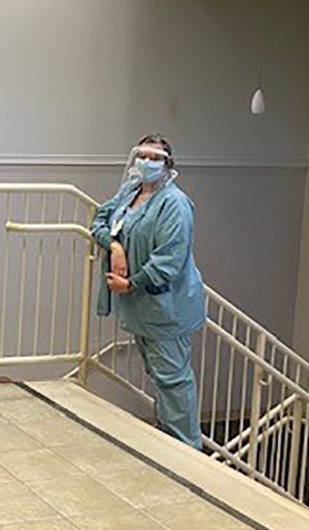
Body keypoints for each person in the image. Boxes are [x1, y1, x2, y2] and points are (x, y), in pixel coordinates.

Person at [91, 134, 206, 449]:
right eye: (142, 155)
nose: (147, 162)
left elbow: (169, 260)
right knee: (160, 378)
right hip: (141, 310)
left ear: (168, 165)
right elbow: (100, 220)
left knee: (174, 381)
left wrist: (132, 283)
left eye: (156, 158)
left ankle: (187, 454)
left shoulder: (175, 204)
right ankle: (171, 444)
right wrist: (114, 246)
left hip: (166, 308)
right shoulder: (130, 192)